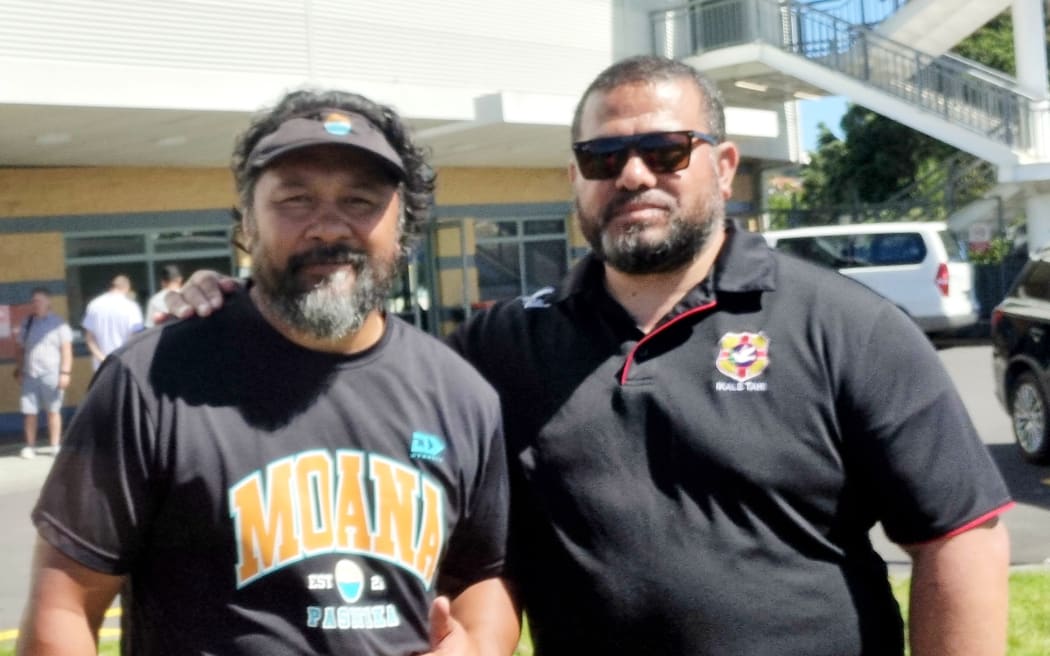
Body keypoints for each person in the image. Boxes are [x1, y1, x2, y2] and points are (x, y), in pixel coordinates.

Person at [163, 56, 1014, 655]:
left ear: (721, 164)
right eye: (602, 157)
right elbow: (354, 364)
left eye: (665, 151)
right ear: (575, 179)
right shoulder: (503, 345)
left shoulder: (844, 326)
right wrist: (242, 302)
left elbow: (960, 538)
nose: (633, 173)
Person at [18, 89, 518, 656]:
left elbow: (483, 574)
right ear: (246, 226)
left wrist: (477, 647)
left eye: (360, 201)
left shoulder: (461, 396)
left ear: (403, 230)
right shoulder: (149, 382)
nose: (328, 228)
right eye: (295, 199)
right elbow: (64, 608)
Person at [13, 287, 73, 459]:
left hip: (52, 373)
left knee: (53, 411)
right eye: (33, 301)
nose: (35, 304)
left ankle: (55, 445)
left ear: (49, 302)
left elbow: (66, 350)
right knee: (29, 412)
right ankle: (29, 446)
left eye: (38, 301)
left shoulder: (59, 324)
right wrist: (20, 369)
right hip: (30, 374)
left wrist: (65, 373)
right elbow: (20, 348)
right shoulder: (27, 322)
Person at [81, 274, 144, 370]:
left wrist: (103, 358)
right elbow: (136, 337)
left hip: (101, 366)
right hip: (124, 364)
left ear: (111, 287)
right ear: (127, 288)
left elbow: (89, 338)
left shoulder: (94, 305)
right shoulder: (132, 307)